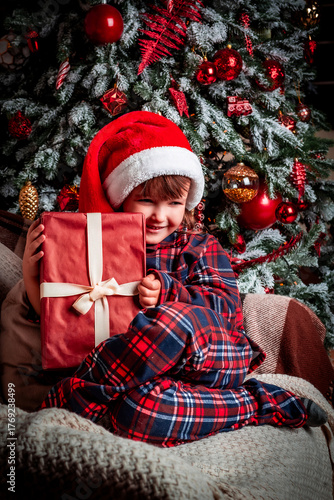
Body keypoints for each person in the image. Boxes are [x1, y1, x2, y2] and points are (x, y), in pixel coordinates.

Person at [23, 111, 327, 447]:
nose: (159, 215)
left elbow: (226, 312)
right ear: (121, 198)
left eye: (173, 203)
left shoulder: (198, 247)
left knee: (167, 322)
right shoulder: (99, 250)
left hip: (215, 356)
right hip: (143, 378)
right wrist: (31, 272)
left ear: (186, 205)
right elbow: (64, 321)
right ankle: (257, 404)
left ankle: (77, 397)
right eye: (146, 201)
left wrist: (168, 292)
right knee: (137, 414)